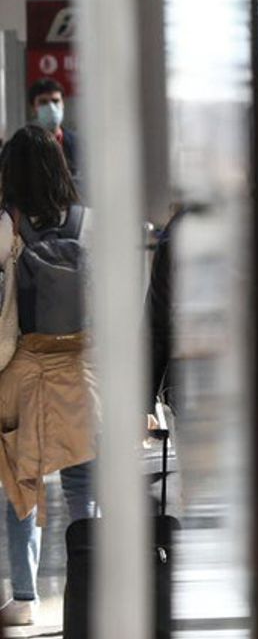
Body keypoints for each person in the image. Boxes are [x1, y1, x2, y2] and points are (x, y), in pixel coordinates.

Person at [0, 125, 95, 628]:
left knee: (22, 485)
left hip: (22, 367)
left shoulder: (7, 223)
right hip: (80, 368)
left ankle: (24, 597)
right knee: (83, 482)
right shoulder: (87, 222)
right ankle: (89, 587)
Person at [26, 78, 78, 183]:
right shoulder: (23, 145)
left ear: (63, 104)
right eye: (43, 102)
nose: (51, 107)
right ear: (33, 108)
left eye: (55, 101)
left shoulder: (79, 144)